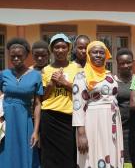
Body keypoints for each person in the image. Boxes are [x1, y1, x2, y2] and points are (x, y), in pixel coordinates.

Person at [72, 41, 124, 168]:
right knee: (94, 154)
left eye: (102, 52)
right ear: (89, 55)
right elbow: (78, 106)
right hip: (93, 121)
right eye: (95, 52)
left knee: (111, 153)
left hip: (112, 120)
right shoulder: (81, 76)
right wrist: (81, 134)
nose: (99, 55)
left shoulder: (109, 75)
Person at [0, 38, 42, 168]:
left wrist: (35, 131)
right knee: (6, 153)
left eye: (19, 56)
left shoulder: (36, 75)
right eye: (13, 56)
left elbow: (37, 104)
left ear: (26, 55)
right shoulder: (3, 74)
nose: (16, 59)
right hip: (6, 121)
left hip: (25, 120)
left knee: (26, 153)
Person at [40, 33, 79, 168]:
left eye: (63, 47)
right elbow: (43, 97)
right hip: (49, 117)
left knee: (69, 155)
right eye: (56, 47)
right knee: (49, 157)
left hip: (69, 118)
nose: (60, 50)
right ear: (52, 49)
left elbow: (81, 94)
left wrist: (64, 82)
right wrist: (51, 83)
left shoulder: (77, 68)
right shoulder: (46, 70)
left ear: (68, 48)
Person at [114, 48, 135, 168]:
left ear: (133, 62)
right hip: (120, 128)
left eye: (129, 62)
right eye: (122, 63)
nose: (126, 65)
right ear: (117, 64)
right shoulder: (113, 82)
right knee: (122, 160)